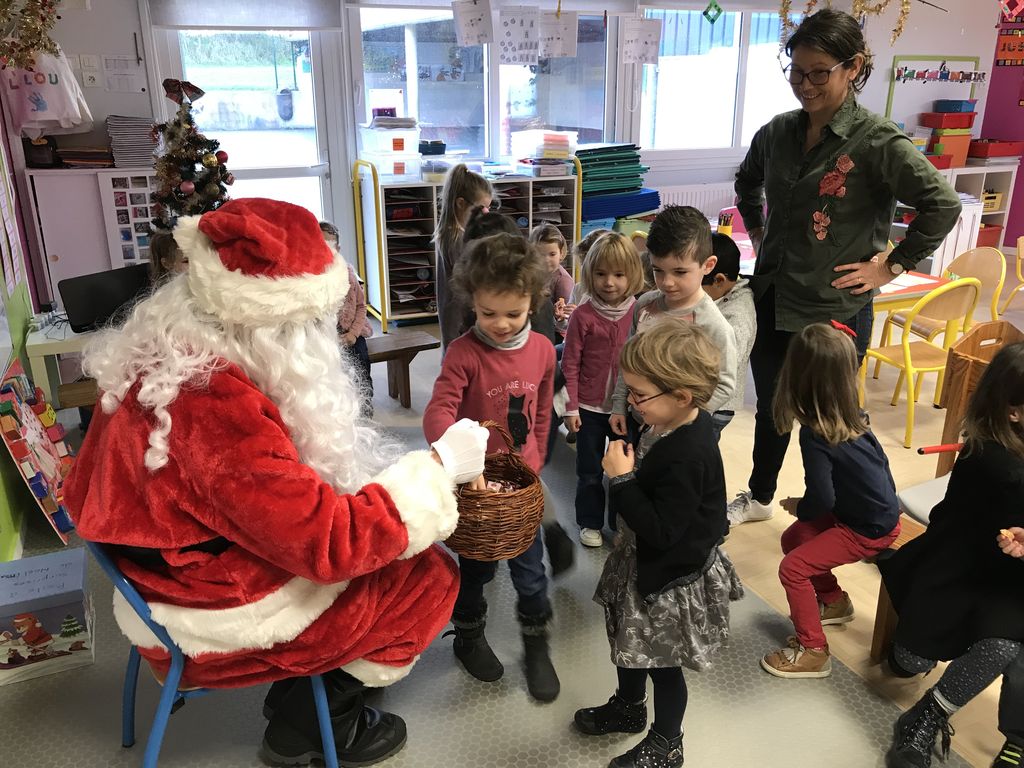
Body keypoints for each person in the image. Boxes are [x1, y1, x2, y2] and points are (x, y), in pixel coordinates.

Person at [63, 198, 490, 767]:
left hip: (160, 573)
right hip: (206, 602)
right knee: (428, 577)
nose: (320, 340)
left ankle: (301, 695)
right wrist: (438, 468)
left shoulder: (163, 357)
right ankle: (309, 726)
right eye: (310, 325)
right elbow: (330, 545)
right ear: (272, 325)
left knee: (387, 541)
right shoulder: (215, 406)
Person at [728, 8, 961, 525]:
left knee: (826, 421)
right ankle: (760, 498)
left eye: (819, 73)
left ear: (852, 67)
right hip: (774, 298)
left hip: (834, 309)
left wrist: (890, 266)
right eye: (796, 72)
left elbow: (942, 205)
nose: (805, 85)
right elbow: (747, 182)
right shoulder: (778, 132)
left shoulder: (877, 140)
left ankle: (827, 514)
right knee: (772, 409)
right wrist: (759, 230)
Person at [574, 321, 742, 768]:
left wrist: (622, 481)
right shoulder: (669, 422)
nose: (631, 401)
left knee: (664, 666)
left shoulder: (688, 453)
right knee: (628, 640)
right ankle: (629, 707)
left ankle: (668, 743)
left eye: (639, 394)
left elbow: (664, 531)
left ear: (682, 396)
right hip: (642, 560)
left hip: (668, 576)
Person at [422, 232, 560, 702]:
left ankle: (536, 646)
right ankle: (468, 636)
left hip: (520, 489)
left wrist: (536, 458)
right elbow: (439, 410)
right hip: (476, 489)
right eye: (488, 313)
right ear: (472, 303)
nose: (500, 324)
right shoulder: (464, 353)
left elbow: (542, 411)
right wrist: (461, 462)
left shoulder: (542, 349)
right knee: (476, 571)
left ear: (532, 302)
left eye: (513, 314)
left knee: (532, 574)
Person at [878, 343, 1024, 768]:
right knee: (911, 660)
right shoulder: (997, 463)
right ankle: (907, 652)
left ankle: (928, 714)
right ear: (1014, 412)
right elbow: (970, 535)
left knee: (1003, 645)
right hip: (962, 563)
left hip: (1008, 576)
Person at [760, 323, 901, 679]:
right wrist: (808, 510)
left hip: (866, 527)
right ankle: (834, 601)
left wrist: (802, 508)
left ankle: (813, 650)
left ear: (796, 375)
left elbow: (822, 497)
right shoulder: (850, 412)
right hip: (870, 513)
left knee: (793, 568)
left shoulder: (816, 434)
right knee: (793, 539)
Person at [609, 206, 737, 442]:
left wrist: (679, 418)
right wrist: (618, 405)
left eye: (679, 272)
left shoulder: (713, 325)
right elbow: (627, 362)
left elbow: (725, 385)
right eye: (658, 270)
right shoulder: (644, 305)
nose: (667, 282)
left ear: (708, 265)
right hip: (636, 421)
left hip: (679, 434)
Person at [561, 232, 645, 547]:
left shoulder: (640, 313)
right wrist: (570, 407)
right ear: (589, 274)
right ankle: (590, 522)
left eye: (619, 275)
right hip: (588, 409)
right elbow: (569, 364)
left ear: (632, 274)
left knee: (624, 471)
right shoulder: (582, 315)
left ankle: (620, 524)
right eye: (601, 274)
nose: (609, 282)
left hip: (627, 409)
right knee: (589, 470)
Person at [434, 163, 495, 352]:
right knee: (458, 358)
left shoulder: (453, 232)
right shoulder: (456, 238)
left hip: (458, 317)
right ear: (461, 203)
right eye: (481, 208)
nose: (486, 214)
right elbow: (474, 279)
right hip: (460, 319)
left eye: (488, 208)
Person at [702, 232, 755, 439]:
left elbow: (727, 364)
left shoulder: (738, 314)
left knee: (699, 450)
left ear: (719, 280)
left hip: (716, 406)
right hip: (705, 401)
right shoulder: (721, 295)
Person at [321, 220, 373, 418]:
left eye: (330, 245)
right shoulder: (311, 279)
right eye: (320, 244)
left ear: (338, 248)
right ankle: (337, 409)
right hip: (327, 336)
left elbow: (361, 306)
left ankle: (365, 406)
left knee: (361, 363)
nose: (326, 250)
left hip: (352, 331)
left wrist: (353, 334)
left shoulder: (348, 274)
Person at [529, 223, 575, 338]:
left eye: (552, 254)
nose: (546, 259)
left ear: (561, 253)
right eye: (540, 254)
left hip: (557, 331)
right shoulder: (532, 272)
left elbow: (566, 318)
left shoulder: (563, 281)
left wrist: (560, 314)